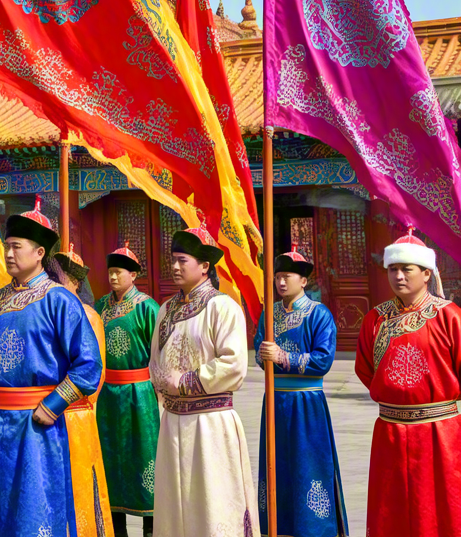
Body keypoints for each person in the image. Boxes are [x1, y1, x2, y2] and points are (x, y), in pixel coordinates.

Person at [0, 201, 104, 536]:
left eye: (15, 247)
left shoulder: (59, 300)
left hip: (37, 423)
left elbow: (88, 364)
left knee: (36, 508)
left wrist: (54, 404)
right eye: (6, 246)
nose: (8, 254)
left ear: (38, 253)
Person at [149, 226, 258, 537]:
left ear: (205, 266)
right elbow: (155, 361)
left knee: (214, 504)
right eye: (173, 260)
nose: (174, 267)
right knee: (174, 506)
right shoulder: (166, 310)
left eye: (183, 260)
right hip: (172, 423)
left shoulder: (223, 307)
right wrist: (162, 382)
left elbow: (234, 364)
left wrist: (185, 381)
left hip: (210, 424)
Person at [355, 228, 461, 537]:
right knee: (392, 508)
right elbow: (366, 369)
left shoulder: (450, 317)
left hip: (439, 432)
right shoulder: (375, 320)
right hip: (389, 430)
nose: (398, 276)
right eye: (392, 269)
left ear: (427, 273)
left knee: (441, 507)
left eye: (406, 269)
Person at [254, 245, 347, 536]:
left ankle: (315, 529)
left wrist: (283, 357)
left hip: (306, 404)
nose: (281, 282)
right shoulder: (268, 314)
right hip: (275, 401)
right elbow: (259, 349)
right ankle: (279, 528)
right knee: (276, 467)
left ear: (304, 281)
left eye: (288, 277)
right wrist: (264, 354)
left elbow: (323, 359)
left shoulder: (319, 315)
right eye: (278, 277)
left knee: (309, 466)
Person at [95, 242, 159, 536]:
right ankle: (115, 527)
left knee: (145, 456)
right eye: (110, 272)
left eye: (119, 272)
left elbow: (158, 353)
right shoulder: (100, 306)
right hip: (108, 395)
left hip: (140, 394)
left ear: (134, 275)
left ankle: (150, 526)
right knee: (111, 460)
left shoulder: (147, 307)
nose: (113, 277)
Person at [53, 244, 115, 537]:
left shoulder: (88, 315)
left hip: (76, 415)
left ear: (75, 281)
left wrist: (63, 398)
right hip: (50, 412)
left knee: (79, 486)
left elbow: (94, 374)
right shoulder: (50, 309)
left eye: (60, 277)